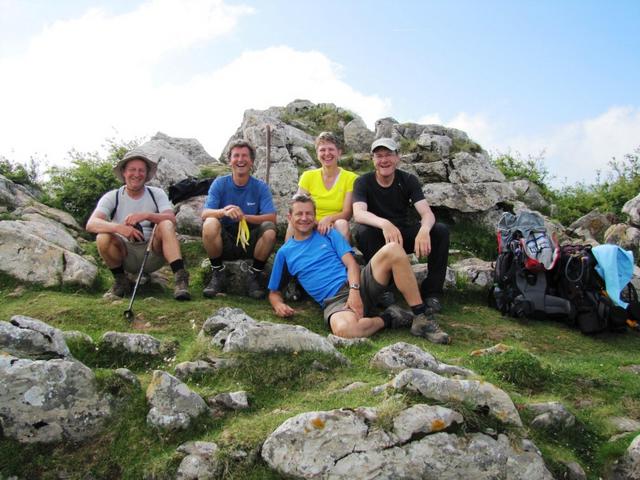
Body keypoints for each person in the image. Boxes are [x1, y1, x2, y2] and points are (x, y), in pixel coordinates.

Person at [268, 194, 449, 344]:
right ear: (289, 218)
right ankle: (391, 317)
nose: (304, 218)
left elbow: (351, 264)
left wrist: (355, 292)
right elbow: (274, 291)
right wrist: (278, 304)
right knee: (345, 330)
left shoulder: (327, 233)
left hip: (358, 282)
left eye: (309, 214)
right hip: (335, 302)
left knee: (393, 249)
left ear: (315, 216)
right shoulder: (284, 253)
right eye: (299, 214)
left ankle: (420, 317)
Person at [352, 137, 450, 313]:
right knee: (363, 231)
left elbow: (426, 213)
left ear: (398, 157)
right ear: (373, 160)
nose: (384, 160)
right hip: (379, 237)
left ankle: (432, 293)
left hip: (402, 235)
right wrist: (384, 223)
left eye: (388, 154)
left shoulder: (408, 180)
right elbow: (358, 213)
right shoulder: (363, 182)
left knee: (440, 231)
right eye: (379, 156)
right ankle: (383, 289)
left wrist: (424, 230)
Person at [86, 150, 190, 300]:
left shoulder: (157, 194)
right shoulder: (112, 196)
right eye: (132, 170)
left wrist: (146, 215)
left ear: (147, 174)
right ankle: (121, 280)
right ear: (124, 173)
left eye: (141, 170)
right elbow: (92, 223)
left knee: (165, 224)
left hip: (153, 251)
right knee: (103, 236)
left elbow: (171, 219)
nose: (137, 174)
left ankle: (181, 278)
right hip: (125, 254)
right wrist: (120, 228)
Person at [201, 140, 277, 299]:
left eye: (245, 156)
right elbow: (205, 213)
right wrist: (224, 212)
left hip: (250, 240)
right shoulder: (220, 183)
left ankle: (254, 275)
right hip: (226, 240)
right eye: (236, 156)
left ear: (252, 162)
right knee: (210, 223)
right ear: (230, 161)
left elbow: (272, 216)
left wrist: (244, 216)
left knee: (269, 229)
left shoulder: (260, 187)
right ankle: (218, 273)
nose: (240, 160)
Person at [287, 131, 358, 241]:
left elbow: (347, 213)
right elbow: (298, 206)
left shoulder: (351, 178)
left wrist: (328, 219)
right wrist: (314, 222)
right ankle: (289, 255)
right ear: (317, 154)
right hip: (310, 222)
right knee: (293, 222)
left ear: (339, 152)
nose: (327, 153)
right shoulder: (308, 176)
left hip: (333, 225)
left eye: (331, 149)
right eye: (322, 150)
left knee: (342, 224)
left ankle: (342, 257)